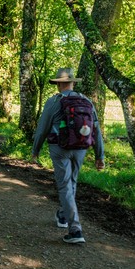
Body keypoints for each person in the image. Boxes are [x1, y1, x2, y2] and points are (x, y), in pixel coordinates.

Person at [31, 67, 105, 244]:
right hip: (81, 147)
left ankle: (75, 230)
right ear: (72, 82)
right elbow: (96, 129)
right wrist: (99, 155)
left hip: (60, 148)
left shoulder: (54, 101)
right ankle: (63, 215)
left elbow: (42, 129)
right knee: (71, 182)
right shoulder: (86, 100)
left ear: (58, 85)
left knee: (64, 185)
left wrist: (35, 150)